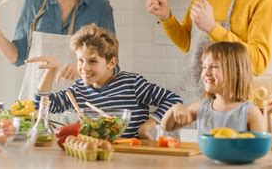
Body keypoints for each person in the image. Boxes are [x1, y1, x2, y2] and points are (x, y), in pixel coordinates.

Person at [27, 24, 182, 139]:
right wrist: (51, 70)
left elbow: (173, 100)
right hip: (95, 157)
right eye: (80, 60)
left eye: (92, 61)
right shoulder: (78, 89)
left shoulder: (133, 84)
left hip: (132, 157)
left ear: (111, 63)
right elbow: (41, 104)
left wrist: (145, 127)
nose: (84, 68)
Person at [160, 42, 272, 150]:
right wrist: (176, 108)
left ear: (235, 72)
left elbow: (270, 151)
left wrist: (268, 115)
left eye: (214, 67)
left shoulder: (249, 112)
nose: (206, 73)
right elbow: (167, 126)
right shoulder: (200, 108)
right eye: (204, 67)